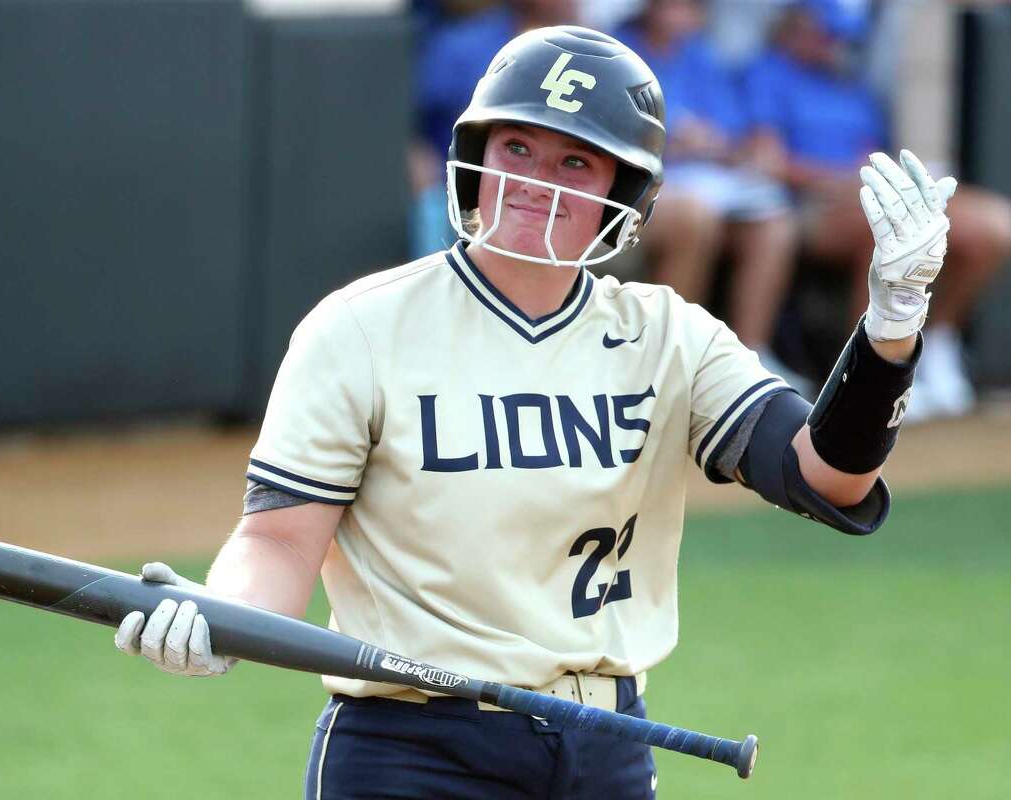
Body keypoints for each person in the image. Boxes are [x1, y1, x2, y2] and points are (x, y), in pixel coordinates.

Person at [115, 26, 953, 798]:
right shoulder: (359, 328)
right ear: (476, 154)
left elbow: (829, 477)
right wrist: (222, 621)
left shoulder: (667, 337)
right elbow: (277, 541)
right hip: (409, 748)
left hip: (605, 742)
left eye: (574, 164)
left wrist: (888, 330)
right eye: (516, 146)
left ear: (622, 192)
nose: (534, 183)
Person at [742, 1, 1011, 420]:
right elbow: (764, 160)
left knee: (996, 226)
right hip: (807, 208)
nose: (836, 44)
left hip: (870, 195)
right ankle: (870, 376)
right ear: (796, 25)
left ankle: (936, 343)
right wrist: (842, 177)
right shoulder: (765, 74)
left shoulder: (851, 84)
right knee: (884, 229)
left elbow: (875, 154)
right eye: (826, 32)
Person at [612, 0, 812, 396]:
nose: (680, 12)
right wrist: (667, 142)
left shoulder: (701, 56)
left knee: (772, 222)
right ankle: (671, 361)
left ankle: (749, 358)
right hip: (637, 188)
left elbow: (734, 137)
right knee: (695, 214)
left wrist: (711, 143)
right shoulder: (617, 50)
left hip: (708, 185)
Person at [412, 0, 581, 258]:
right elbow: (412, 120)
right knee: (430, 205)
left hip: (551, 186)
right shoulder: (464, 44)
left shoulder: (589, 55)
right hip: (460, 175)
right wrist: (418, 153)